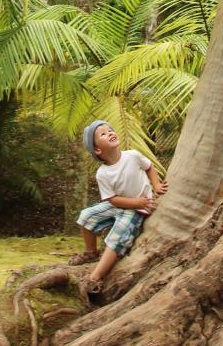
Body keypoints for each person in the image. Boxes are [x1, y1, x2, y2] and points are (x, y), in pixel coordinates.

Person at [68, 120, 169, 297]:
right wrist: (136, 202)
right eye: (103, 134)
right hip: (121, 203)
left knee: (119, 233)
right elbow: (113, 200)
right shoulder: (102, 173)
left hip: (138, 209)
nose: (110, 133)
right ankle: (91, 252)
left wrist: (156, 185)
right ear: (98, 150)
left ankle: (95, 277)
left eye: (110, 130)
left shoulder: (132, 155)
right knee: (86, 216)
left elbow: (149, 167)